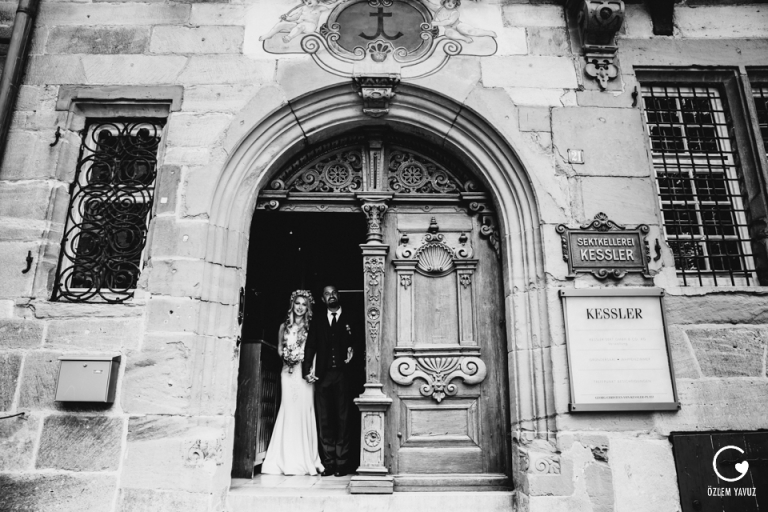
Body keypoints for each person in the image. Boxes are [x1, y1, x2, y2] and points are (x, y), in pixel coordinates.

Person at [261, 290, 324, 476]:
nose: (300, 307)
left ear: (308, 308)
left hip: (304, 374)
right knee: (288, 409)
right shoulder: (284, 326)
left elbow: (315, 351)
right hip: (287, 372)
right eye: (297, 303)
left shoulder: (311, 327)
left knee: (304, 410)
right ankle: (285, 457)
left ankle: (308, 457)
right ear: (292, 305)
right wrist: (288, 356)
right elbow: (279, 349)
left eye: (304, 304)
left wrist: (310, 369)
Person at [303, 285, 354, 477]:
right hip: (322, 376)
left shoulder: (351, 317)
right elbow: (310, 345)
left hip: (343, 375)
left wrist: (353, 349)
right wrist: (306, 369)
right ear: (323, 299)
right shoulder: (317, 320)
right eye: (327, 294)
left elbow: (360, 340)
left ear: (338, 296)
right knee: (324, 420)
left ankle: (342, 462)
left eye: (334, 293)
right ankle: (329, 462)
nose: (331, 296)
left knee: (343, 419)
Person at [426, 0, 497, 44]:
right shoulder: (438, 9)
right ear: (444, 1)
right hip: (449, 28)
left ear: (456, 4)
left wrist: (437, 23)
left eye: (453, 2)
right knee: (448, 33)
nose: (450, 3)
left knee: (468, 30)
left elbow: (450, 22)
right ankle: (464, 38)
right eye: (448, 1)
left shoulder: (455, 12)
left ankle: (489, 33)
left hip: (458, 25)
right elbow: (428, 4)